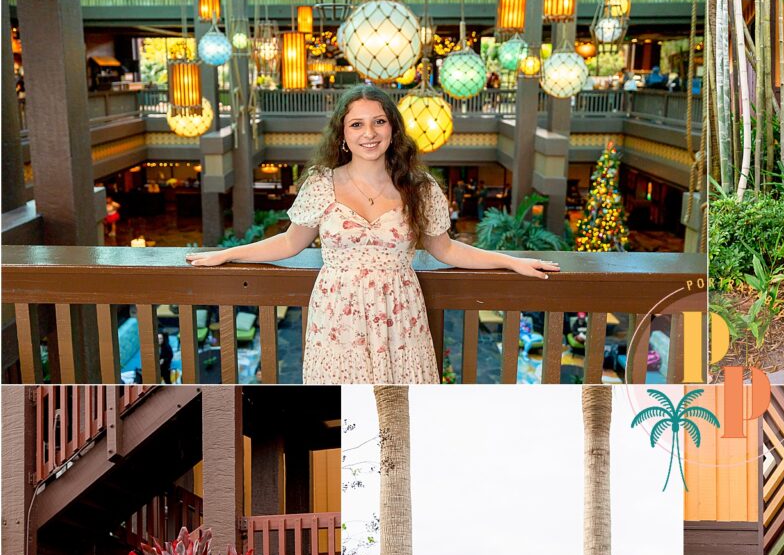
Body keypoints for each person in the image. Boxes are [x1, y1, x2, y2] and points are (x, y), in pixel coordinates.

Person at [185, 86, 559, 383]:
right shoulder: (321, 183)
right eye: (357, 124)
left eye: (379, 122)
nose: (369, 133)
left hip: (399, 312)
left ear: (393, 129)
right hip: (336, 314)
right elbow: (289, 242)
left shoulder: (420, 187)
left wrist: (512, 262)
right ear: (343, 134)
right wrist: (226, 254)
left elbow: (446, 250)